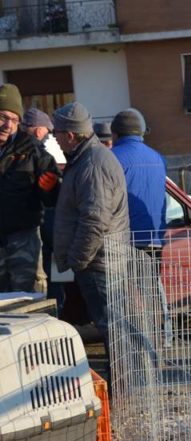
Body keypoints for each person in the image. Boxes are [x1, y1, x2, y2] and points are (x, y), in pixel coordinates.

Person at [51, 101, 129, 381]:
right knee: (112, 326)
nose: (55, 139)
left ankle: (121, 390)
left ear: (70, 135)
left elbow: (95, 219)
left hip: (99, 261)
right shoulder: (87, 159)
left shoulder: (92, 164)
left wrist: (78, 260)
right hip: (100, 258)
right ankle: (122, 387)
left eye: (57, 133)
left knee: (112, 327)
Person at [0, 85, 61, 294]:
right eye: (2, 117)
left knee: (29, 300)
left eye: (14, 120)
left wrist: (50, 189)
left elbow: (54, 198)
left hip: (23, 238)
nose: (7, 125)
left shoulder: (33, 150)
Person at [110, 108, 166, 251]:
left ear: (115, 134)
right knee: (152, 274)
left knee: (128, 274)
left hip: (124, 240)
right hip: (155, 238)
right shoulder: (158, 158)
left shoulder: (110, 158)